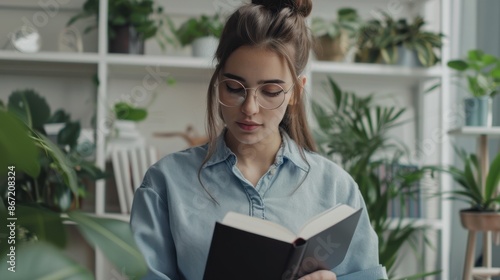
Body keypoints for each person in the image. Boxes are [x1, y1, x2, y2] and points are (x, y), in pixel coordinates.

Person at [130, 0, 388, 279]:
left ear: (296, 92)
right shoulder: (165, 183)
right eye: (234, 88)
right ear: (218, 82)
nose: (250, 108)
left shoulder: (337, 189)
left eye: (271, 91)